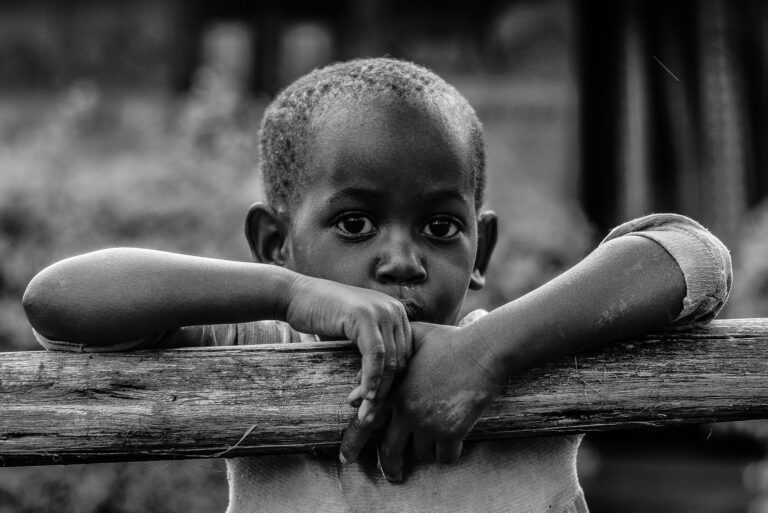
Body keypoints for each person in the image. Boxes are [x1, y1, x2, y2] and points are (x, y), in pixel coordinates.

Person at [22, 58, 732, 513]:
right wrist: (288, 294)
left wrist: (485, 359)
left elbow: (692, 257)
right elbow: (59, 301)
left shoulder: (525, 350)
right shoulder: (258, 344)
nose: (402, 259)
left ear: (481, 245)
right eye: (356, 223)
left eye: (440, 227)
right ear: (276, 242)